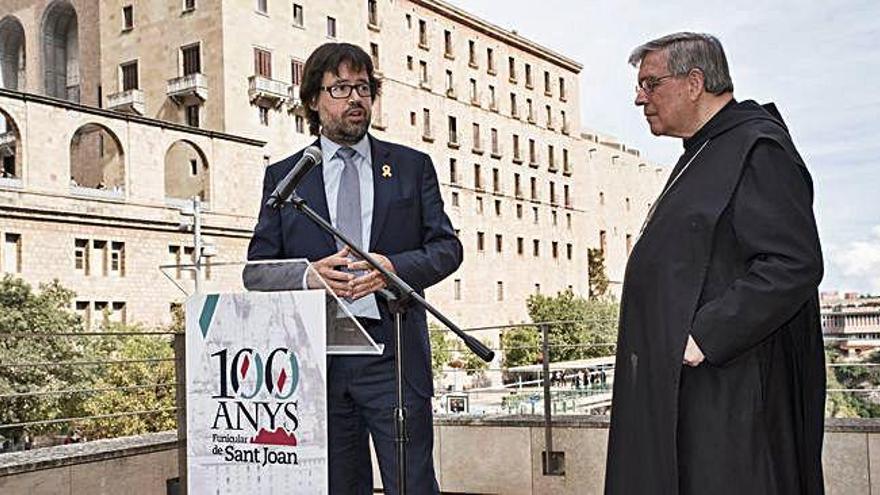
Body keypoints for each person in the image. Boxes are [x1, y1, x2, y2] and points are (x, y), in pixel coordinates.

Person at [605, 32, 825, 495]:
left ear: (694, 81)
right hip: (687, 386)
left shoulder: (756, 147)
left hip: (730, 390)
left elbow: (793, 262)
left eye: (650, 82)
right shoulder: (704, 152)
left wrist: (703, 335)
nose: (639, 97)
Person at [247, 42, 461, 494]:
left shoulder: (410, 167)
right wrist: (309, 275)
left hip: (394, 357)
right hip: (317, 362)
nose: (356, 99)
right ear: (313, 99)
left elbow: (447, 248)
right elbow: (256, 272)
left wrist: (393, 268)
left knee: (412, 484)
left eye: (363, 87)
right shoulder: (286, 176)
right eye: (341, 87)